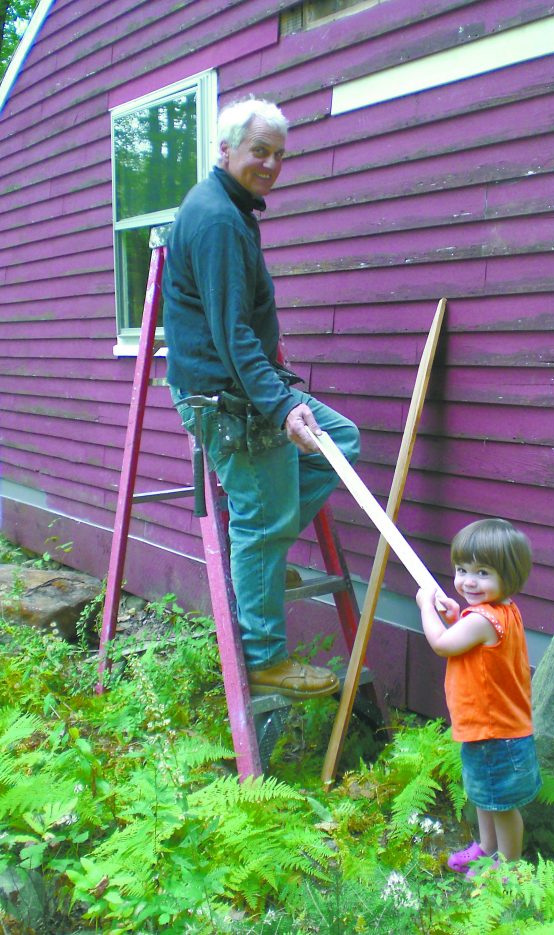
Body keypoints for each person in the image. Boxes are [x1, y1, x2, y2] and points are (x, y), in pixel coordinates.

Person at [163, 98, 360, 698]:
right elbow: (231, 333)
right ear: (226, 151)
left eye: (279, 154)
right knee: (261, 519)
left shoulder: (232, 208)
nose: (271, 164)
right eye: (259, 152)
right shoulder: (219, 218)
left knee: (341, 442)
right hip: (225, 401)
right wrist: (280, 404)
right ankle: (266, 656)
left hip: (247, 385)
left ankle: (264, 562)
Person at [415, 518, 541, 877]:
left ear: (509, 575)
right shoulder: (503, 610)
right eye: (461, 569)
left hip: (495, 733)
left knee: (501, 805)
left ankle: (508, 866)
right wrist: (457, 616)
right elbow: (473, 643)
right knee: (484, 797)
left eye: (482, 572)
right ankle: (487, 849)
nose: (468, 581)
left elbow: (442, 644)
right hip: (488, 728)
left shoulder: (484, 620)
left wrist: (427, 606)